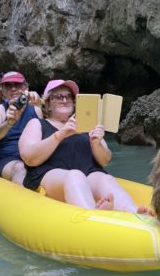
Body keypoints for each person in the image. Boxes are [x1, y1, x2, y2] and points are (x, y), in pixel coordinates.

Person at [19, 79, 151, 214]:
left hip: (87, 174)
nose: (65, 100)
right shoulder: (37, 123)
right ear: (47, 104)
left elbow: (105, 160)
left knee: (104, 178)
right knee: (75, 176)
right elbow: (29, 157)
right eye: (58, 97)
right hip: (50, 176)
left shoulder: (88, 125)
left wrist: (96, 143)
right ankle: (92, 215)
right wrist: (61, 134)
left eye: (69, 97)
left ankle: (134, 213)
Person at [0, 71, 43, 185]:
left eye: (17, 84)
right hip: (7, 160)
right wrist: (9, 123)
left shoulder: (36, 109)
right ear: (3, 90)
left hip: (32, 158)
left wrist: (41, 103)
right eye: (8, 85)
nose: (13, 89)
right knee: (20, 168)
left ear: (25, 87)